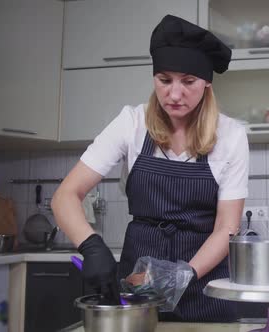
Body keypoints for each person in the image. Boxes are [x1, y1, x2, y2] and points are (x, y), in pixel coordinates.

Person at [51, 15, 248, 322]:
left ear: (207, 83)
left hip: (206, 284)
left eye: (188, 81)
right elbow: (65, 194)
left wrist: (183, 274)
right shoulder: (131, 123)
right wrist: (90, 245)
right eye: (164, 80)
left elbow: (227, 228)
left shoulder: (231, 135)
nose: (174, 94)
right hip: (139, 287)